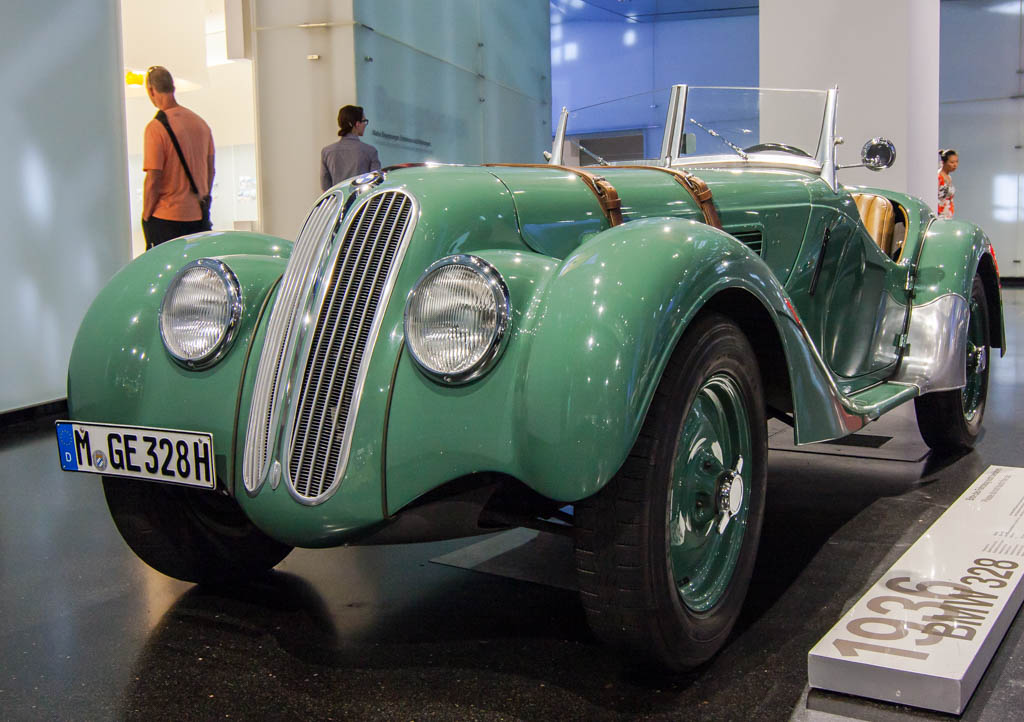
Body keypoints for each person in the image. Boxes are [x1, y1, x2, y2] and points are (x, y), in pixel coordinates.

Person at [142, 66, 215, 249]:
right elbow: (210, 170)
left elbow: (154, 178)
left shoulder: (155, 128)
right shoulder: (201, 124)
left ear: (151, 90)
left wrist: (146, 215)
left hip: (166, 218)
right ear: (172, 87)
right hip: (198, 217)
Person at [321, 105, 380, 190]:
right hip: (361, 198)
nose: (365, 125)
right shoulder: (370, 151)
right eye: (364, 121)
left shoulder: (327, 152)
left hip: (339, 198)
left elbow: (325, 188)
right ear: (357, 124)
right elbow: (375, 184)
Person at [938, 148, 958, 219]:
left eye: (956, 162)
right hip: (939, 214)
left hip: (947, 214)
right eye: (952, 162)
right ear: (943, 162)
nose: (955, 165)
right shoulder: (938, 177)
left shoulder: (949, 177)